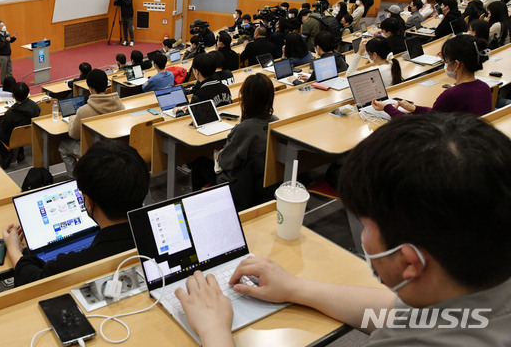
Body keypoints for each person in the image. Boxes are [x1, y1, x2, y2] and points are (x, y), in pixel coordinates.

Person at [177, 113, 511, 347]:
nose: (363, 236)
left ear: (409, 263)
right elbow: (403, 313)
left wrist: (215, 331)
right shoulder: (470, 285)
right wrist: (296, 288)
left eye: (366, 226)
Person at [3, 140, 149, 287]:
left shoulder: (74, 264)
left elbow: (35, 282)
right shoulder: (154, 233)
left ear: (89, 202)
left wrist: (13, 248)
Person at [190, 74, 277, 192]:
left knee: (199, 163)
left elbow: (225, 163)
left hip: (236, 183)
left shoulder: (244, 129)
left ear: (247, 98)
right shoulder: (275, 121)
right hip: (262, 181)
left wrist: (220, 155)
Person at [376, 35, 492, 118]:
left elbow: (419, 128)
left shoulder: (451, 95)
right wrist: (415, 108)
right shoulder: (484, 87)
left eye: (445, 60)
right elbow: (439, 114)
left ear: (456, 64)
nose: (445, 64)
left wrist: (387, 108)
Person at [58, 69, 124, 177]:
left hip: (94, 149)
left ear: (90, 87)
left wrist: (72, 121)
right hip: (115, 145)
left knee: (63, 146)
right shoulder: (119, 104)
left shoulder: (84, 110)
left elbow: (74, 134)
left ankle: (74, 179)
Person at [0, 82, 40, 168]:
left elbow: (4, 129)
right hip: (30, 135)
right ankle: (19, 152)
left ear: (13, 95)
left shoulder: (11, 113)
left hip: (13, 138)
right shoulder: (36, 106)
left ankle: (6, 154)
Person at [0, 20, 18, 84]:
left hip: (8, 55)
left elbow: (9, 40)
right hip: (2, 56)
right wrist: (6, 41)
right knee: (3, 72)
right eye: (2, 26)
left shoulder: (6, 32)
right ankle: (3, 84)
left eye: (4, 25)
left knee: (10, 71)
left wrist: (14, 38)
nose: (4, 27)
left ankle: (11, 83)